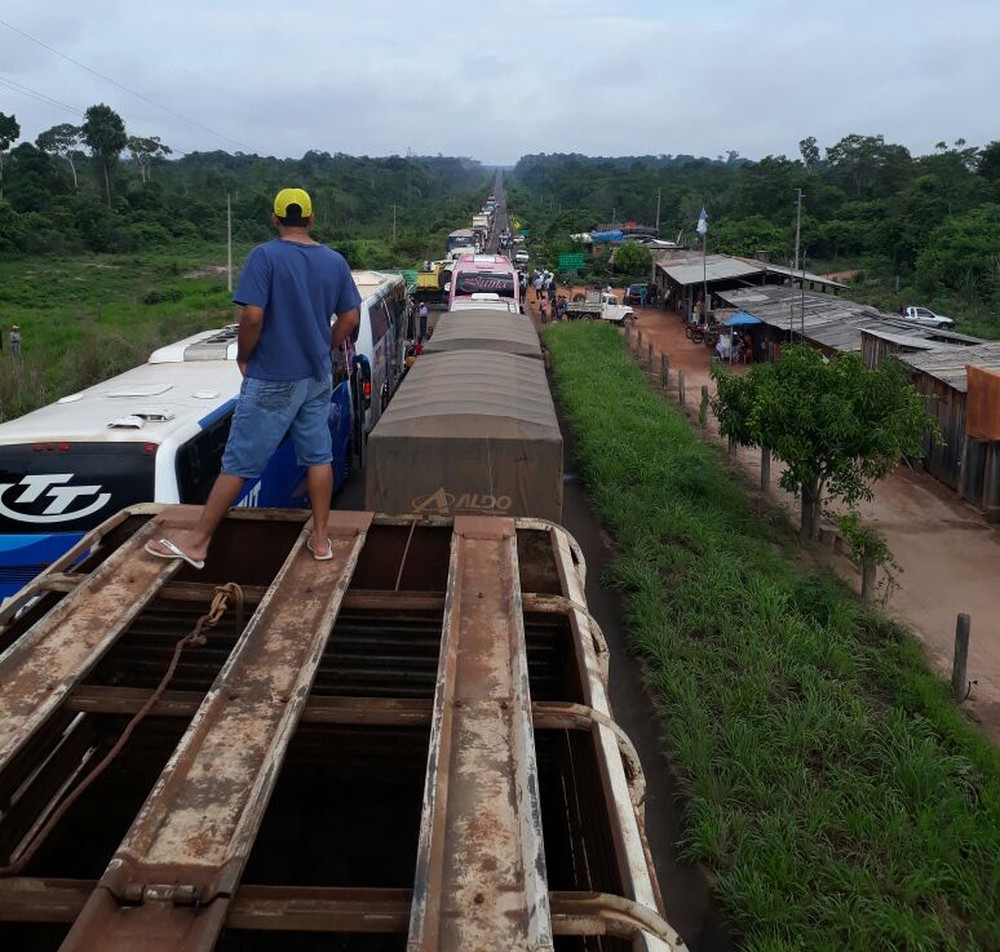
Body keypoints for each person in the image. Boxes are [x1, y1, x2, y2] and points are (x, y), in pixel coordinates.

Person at [144, 187, 361, 568]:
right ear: (311, 219)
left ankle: (197, 542)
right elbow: (351, 318)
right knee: (318, 455)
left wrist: (244, 356)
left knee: (240, 461)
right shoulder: (334, 261)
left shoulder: (265, 256)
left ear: (275, 218)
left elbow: (252, 316)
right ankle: (322, 540)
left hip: (273, 375)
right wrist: (324, 346)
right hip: (316, 376)